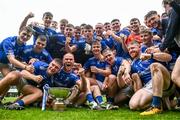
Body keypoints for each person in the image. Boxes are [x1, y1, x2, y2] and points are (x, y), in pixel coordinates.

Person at [127, 42, 173, 115]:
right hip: (150, 86)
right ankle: (165, 103)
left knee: (154, 66)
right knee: (134, 105)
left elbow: (169, 57)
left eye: (132, 48)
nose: (130, 50)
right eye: (129, 49)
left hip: (164, 81)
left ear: (139, 47)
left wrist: (151, 56)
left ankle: (156, 106)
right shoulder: (133, 65)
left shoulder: (150, 51)